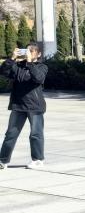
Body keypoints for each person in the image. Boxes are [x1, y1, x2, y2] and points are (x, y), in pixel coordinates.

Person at [0, 42, 48, 170]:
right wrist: (11, 59)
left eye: (31, 51)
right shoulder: (18, 66)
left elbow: (38, 78)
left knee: (36, 134)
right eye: (27, 50)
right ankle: (2, 160)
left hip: (35, 106)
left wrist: (30, 63)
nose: (28, 53)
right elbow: (3, 72)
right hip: (18, 105)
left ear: (38, 54)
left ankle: (38, 160)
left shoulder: (42, 67)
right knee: (10, 134)